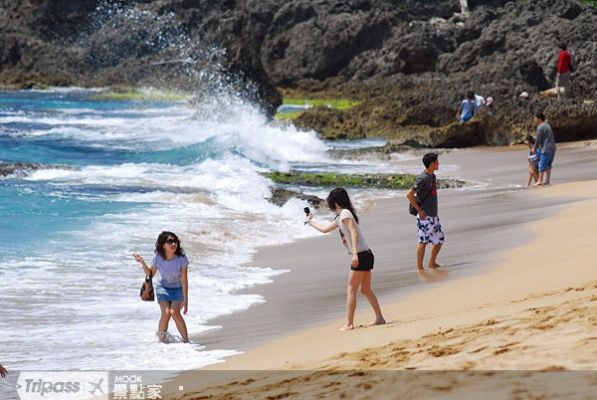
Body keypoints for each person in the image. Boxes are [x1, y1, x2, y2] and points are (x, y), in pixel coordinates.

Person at [306, 188, 385, 331]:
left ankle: (349, 323)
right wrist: (310, 221)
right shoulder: (341, 216)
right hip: (366, 253)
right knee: (365, 289)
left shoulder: (345, 213)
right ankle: (379, 318)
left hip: (361, 254)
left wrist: (354, 254)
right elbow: (325, 229)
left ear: (335, 201)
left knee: (351, 289)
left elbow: (353, 232)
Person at [133, 231, 190, 343]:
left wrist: (186, 299)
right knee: (166, 312)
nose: (173, 244)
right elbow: (150, 273)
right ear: (163, 244)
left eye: (175, 241)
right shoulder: (158, 257)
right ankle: (162, 340)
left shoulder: (181, 259)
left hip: (178, 288)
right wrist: (142, 263)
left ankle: (186, 341)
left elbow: (184, 279)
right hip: (162, 288)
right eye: (170, 241)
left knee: (175, 312)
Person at [406, 153, 445, 270]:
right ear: (432, 164)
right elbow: (409, 194)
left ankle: (432, 263)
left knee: (439, 240)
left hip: (433, 215)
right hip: (425, 216)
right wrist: (419, 211)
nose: (438, 164)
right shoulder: (422, 178)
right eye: (437, 162)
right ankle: (419, 267)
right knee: (423, 241)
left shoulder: (433, 176)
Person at [533, 113, 556, 186]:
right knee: (548, 164)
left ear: (539, 119)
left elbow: (538, 139)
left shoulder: (540, 127)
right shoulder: (547, 125)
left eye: (535, 118)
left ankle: (539, 180)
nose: (534, 120)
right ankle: (547, 180)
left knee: (541, 164)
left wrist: (534, 148)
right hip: (552, 147)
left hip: (546, 148)